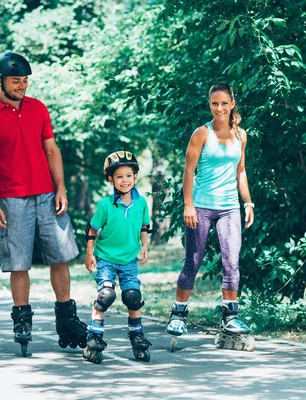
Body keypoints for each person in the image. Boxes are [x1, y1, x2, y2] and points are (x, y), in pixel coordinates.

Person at [0, 51, 86, 356]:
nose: (22, 86)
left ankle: (66, 319)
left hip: (48, 195)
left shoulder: (38, 108)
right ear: (0, 81)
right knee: (19, 263)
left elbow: (51, 149)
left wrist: (61, 187)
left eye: (25, 81)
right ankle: (22, 320)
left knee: (59, 256)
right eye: (15, 81)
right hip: (12, 200)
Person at [166, 82, 255, 351]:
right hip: (202, 206)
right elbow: (188, 171)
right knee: (193, 260)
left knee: (231, 262)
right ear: (210, 105)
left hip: (230, 206)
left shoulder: (241, 135)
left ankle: (230, 316)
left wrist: (248, 202)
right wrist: (188, 205)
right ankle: (178, 313)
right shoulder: (201, 134)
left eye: (224, 103)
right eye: (214, 103)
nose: (219, 108)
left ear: (232, 104)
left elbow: (240, 171)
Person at [83, 151, 152, 363]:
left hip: (129, 259)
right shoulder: (105, 205)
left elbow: (144, 226)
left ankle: (137, 336)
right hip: (106, 258)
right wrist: (89, 253)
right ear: (111, 179)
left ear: (135, 177)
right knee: (106, 296)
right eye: (119, 176)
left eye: (129, 175)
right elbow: (92, 229)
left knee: (132, 296)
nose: (125, 180)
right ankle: (94, 338)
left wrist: (145, 246)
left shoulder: (141, 203)